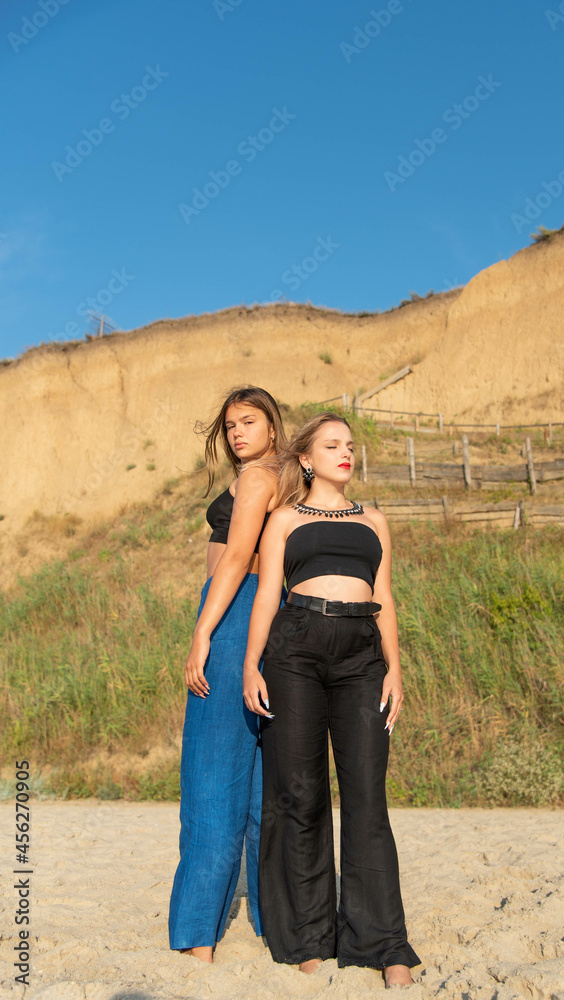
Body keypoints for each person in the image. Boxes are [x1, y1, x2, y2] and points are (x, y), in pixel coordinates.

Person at [243, 412, 419, 987]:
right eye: (332, 445)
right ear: (306, 459)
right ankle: (309, 935)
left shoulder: (375, 519)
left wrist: (395, 668)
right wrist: (252, 663)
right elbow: (267, 594)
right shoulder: (285, 519)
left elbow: (385, 596)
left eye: (350, 445)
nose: (346, 453)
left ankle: (382, 941)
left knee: (367, 792)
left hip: (362, 654)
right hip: (295, 649)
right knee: (301, 793)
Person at [168, 385, 288, 963]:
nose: (238, 432)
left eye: (249, 420)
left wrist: (202, 632)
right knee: (263, 777)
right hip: (270, 617)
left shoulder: (259, 478)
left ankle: (197, 934)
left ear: (272, 425)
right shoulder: (287, 477)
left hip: (234, 612)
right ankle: (275, 923)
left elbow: (237, 557)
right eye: (231, 424)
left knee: (212, 771)